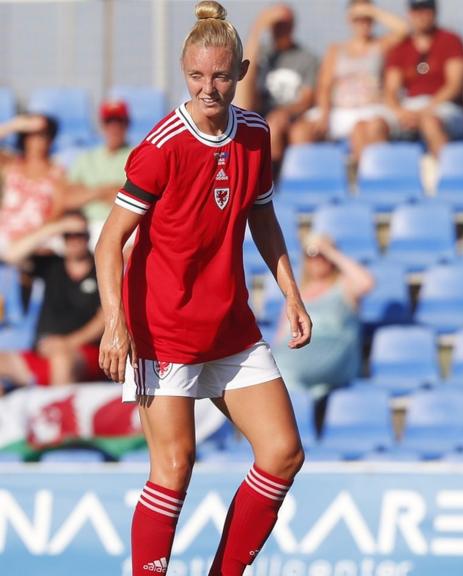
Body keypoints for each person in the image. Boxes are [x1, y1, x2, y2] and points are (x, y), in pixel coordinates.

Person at [94, 3, 311, 575]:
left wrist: (291, 292)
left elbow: (262, 216)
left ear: (240, 71)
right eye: (196, 76)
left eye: (219, 75)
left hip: (230, 326)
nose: (208, 87)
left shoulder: (255, 136)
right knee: (174, 466)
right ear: (183, 73)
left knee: (283, 453)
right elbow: (108, 242)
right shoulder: (162, 146)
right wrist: (116, 324)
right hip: (163, 328)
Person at [288, 0, 408, 162]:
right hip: (339, 110)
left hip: (372, 108)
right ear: (350, 20)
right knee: (300, 130)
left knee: (363, 129)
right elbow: (324, 86)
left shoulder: (380, 45)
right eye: (358, 19)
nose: (363, 23)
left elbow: (404, 29)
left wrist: (371, 11)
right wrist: (324, 113)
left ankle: (366, 177)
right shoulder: (336, 50)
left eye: (367, 19)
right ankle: (307, 180)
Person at [273, 234, 373, 425]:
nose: (317, 260)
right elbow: (281, 335)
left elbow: (366, 283)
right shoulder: (297, 294)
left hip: (335, 354)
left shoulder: (344, 286)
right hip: (299, 357)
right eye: (311, 255)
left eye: (322, 255)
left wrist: (330, 251)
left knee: (279, 372)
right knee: (271, 366)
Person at [0, 212, 105, 390]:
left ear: (88, 235)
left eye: (79, 234)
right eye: (68, 235)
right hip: (43, 353)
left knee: (62, 358)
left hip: (83, 354)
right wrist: (57, 226)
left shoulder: (101, 269)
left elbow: (105, 318)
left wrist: (67, 343)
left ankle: (58, 414)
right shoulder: (51, 265)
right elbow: (11, 255)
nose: (74, 240)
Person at [359, 0, 463, 157]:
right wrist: (399, 111)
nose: (421, 16)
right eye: (416, 10)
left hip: (444, 107)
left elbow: (454, 85)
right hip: (410, 106)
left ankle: (449, 176)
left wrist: (426, 110)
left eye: (426, 10)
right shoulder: (401, 47)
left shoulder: (451, 40)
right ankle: (382, 177)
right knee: (375, 125)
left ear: (434, 12)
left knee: (430, 122)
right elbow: (391, 89)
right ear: (409, 14)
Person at [234, 3, 318, 172]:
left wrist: (285, 113)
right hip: (262, 114)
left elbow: (307, 98)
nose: (280, 32)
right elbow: (243, 85)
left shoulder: (306, 58)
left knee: (277, 128)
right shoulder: (263, 55)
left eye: (284, 27)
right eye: (276, 27)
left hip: (290, 117)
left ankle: (271, 180)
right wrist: (258, 28)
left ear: (292, 27)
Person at [63, 100, 134, 248]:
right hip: (87, 226)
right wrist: (103, 191)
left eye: (119, 122)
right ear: (102, 126)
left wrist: (87, 191)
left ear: (127, 124)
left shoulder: (136, 155)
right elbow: (68, 199)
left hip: (124, 226)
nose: (114, 128)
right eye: (109, 122)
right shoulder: (86, 157)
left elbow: (133, 200)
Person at [0, 115, 64, 252]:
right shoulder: (11, 164)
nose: (36, 140)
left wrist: (34, 240)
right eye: (30, 135)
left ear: (50, 140)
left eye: (42, 135)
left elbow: (56, 213)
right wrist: (15, 125)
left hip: (37, 242)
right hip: (4, 237)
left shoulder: (57, 173)